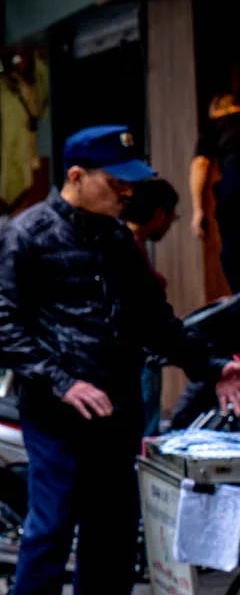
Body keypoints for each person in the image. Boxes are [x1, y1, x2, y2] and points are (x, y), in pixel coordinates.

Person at [0, 127, 240, 595]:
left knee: (114, 535)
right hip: (56, 414)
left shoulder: (119, 241)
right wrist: (62, 381)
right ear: (77, 177)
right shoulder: (27, 234)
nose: (128, 192)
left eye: (131, 182)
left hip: (117, 411)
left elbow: (157, 322)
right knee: (50, 530)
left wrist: (213, 366)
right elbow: (0, 322)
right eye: (117, 181)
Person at [125, 178, 182, 436]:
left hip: (135, 352)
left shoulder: (129, 244)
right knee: (143, 430)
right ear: (160, 215)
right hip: (138, 353)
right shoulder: (126, 246)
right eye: (172, 217)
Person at [192, 94, 240, 293]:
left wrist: (198, 210)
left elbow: (200, 164)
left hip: (236, 188)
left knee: (234, 255)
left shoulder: (216, 125)